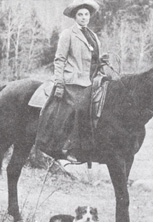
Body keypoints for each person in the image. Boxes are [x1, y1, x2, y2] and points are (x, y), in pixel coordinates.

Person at [36, 0, 109, 162]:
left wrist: (102, 62)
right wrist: (59, 83)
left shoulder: (93, 36)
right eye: (80, 15)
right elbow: (59, 60)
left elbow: (94, 60)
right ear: (75, 17)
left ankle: (95, 146)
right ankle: (69, 147)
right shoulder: (68, 34)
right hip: (73, 81)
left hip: (92, 81)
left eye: (86, 14)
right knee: (79, 107)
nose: (84, 18)